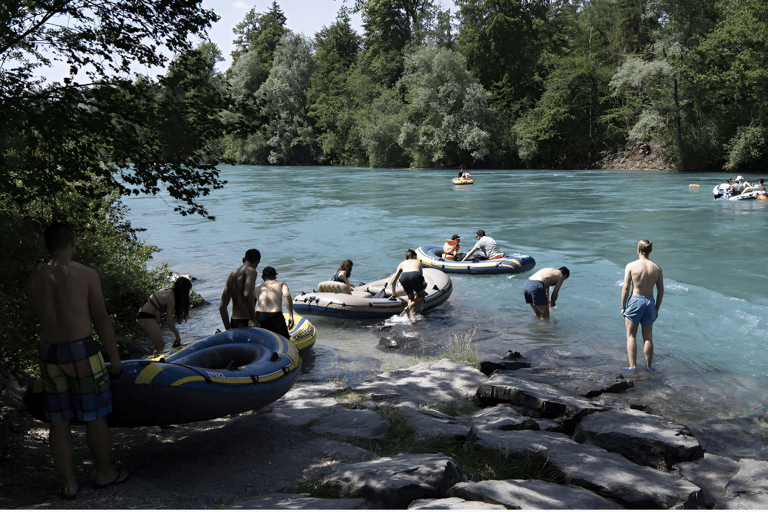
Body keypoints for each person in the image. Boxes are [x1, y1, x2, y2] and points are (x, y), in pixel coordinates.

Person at [28, 222, 129, 499]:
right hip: (81, 352)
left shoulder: (36, 277)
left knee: (58, 420)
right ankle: (104, 473)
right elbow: (101, 319)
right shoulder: (84, 273)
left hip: (48, 353)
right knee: (94, 415)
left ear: (46, 245)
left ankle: (69, 483)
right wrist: (116, 359)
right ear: (72, 242)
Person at [621, 239, 664, 371]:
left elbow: (626, 288)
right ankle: (648, 367)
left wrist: (623, 307)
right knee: (648, 337)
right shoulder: (656, 268)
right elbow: (661, 291)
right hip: (650, 301)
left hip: (636, 300)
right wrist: (656, 308)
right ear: (650, 251)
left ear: (638, 250)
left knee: (631, 335)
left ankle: (633, 367)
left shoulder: (631, 266)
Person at [136, 277, 192, 353]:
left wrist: (158, 323)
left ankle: (154, 358)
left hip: (148, 316)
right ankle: (154, 363)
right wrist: (177, 336)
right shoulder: (171, 298)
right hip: (145, 317)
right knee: (160, 345)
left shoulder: (170, 292)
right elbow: (168, 321)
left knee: (158, 345)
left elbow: (156, 308)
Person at [220, 249, 260, 330]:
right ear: (257, 262)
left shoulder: (232, 274)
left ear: (243, 260)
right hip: (246, 321)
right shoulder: (251, 271)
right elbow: (247, 294)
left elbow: (222, 307)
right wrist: (253, 319)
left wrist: (228, 328)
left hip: (234, 320)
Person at [253, 266, 295, 339]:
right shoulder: (281, 284)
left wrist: (252, 319)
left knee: (262, 339)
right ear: (275, 276)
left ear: (263, 277)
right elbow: (287, 296)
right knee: (284, 340)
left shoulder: (258, 287)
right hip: (276, 316)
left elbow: (251, 304)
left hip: (260, 316)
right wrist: (290, 315)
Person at [391, 249, 428, 320]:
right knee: (421, 296)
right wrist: (422, 290)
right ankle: (409, 307)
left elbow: (394, 281)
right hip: (415, 275)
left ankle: (411, 316)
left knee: (410, 297)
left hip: (404, 277)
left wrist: (393, 294)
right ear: (414, 256)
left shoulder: (402, 263)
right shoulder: (417, 262)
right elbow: (420, 278)